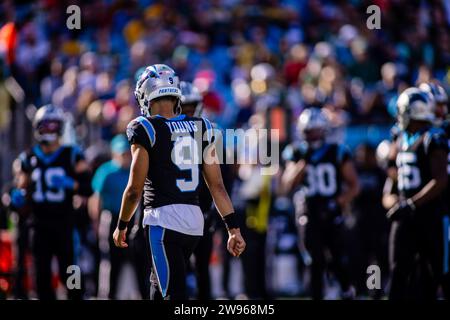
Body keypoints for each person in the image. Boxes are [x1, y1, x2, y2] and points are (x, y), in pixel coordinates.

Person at [112, 64, 245, 300]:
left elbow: (134, 189)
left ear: (146, 93)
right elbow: (217, 186)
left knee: (170, 294)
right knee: (162, 287)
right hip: (194, 223)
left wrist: (122, 224)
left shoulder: (144, 127)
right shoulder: (202, 126)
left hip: (163, 221)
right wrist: (233, 229)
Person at [11, 104, 91, 300]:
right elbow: (20, 186)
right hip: (38, 225)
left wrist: (70, 184)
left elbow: (87, 187)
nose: (49, 130)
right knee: (41, 276)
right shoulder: (28, 158)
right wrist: (18, 196)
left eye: (53, 125)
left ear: (61, 127)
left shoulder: (72, 154)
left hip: (64, 223)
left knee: (71, 271)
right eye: (45, 126)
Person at [281, 107, 360, 300]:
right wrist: (303, 163)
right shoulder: (297, 152)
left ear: (324, 130)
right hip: (308, 211)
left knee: (338, 257)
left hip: (331, 210)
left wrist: (338, 202)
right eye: (309, 131)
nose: (312, 134)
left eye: (315, 130)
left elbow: (354, 185)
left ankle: (346, 290)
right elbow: (286, 184)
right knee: (313, 260)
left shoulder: (338, 151)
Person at [385, 87, 448, 300]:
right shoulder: (403, 138)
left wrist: (412, 204)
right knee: (398, 272)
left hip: (429, 213)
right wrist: (392, 199)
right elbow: (393, 175)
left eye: (403, 111)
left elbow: (440, 179)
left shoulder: (433, 137)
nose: (400, 117)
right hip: (405, 213)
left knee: (434, 273)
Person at [89, 134, 149, 299]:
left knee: (139, 262)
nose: (125, 157)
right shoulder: (106, 171)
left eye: (127, 154)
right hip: (111, 219)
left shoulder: (135, 169)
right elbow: (96, 199)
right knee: (111, 262)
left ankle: (143, 294)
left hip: (133, 220)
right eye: (121, 154)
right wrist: (95, 222)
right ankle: (108, 295)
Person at [419, 82, 450, 298]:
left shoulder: (444, 131)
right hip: (426, 206)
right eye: (435, 105)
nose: (441, 110)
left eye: (442, 105)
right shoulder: (413, 134)